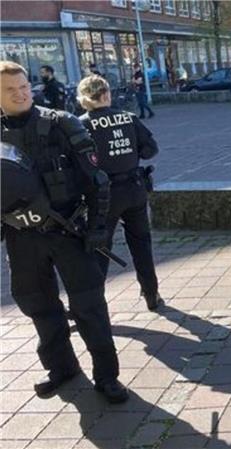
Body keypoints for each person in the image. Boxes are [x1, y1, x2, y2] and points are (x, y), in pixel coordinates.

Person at [0, 61, 128, 403]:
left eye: (24, 86)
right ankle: (62, 368)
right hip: (21, 236)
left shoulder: (60, 123)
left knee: (89, 305)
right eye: (11, 89)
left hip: (69, 229)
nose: (21, 93)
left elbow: (97, 180)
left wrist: (99, 227)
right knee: (37, 304)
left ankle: (107, 376)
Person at [77, 75, 163, 311]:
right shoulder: (129, 118)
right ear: (107, 94)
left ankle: (94, 305)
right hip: (135, 189)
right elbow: (150, 150)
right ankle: (151, 294)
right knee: (141, 245)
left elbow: (77, 164)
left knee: (99, 249)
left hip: (103, 196)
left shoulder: (81, 124)